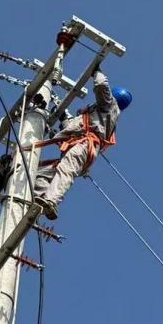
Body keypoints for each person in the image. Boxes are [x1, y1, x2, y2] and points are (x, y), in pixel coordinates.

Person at [33, 70, 131, 220]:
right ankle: (38, 198)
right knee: (42, 173)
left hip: (84, 147)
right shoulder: (100, 117)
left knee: (65, 171)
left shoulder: (109, 106)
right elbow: (75, 127)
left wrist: (96, 71)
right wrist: (62, 120)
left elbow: (101, 85)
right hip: (79, 148)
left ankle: (51, 201)